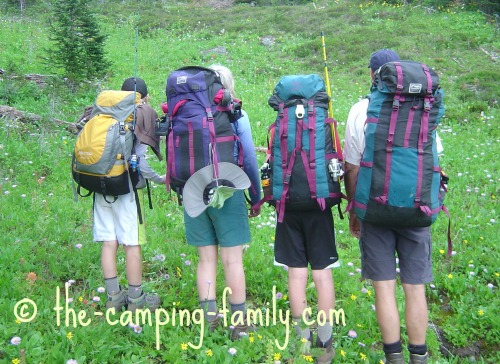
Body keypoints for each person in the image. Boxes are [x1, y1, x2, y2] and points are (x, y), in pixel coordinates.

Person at [344, 49, 434, 364]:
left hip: (375, 209)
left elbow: (352, 168)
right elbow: (433, 161)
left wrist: (355, 212)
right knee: (415, 288)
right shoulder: (424, 107)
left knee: (384, 288)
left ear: (373, 75)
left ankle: (393, 357)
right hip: (417, 208)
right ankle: (419, 357)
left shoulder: (361, 110)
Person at [183, 64, 261, 340]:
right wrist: (256, 195)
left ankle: (208, 319)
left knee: (206, 258)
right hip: (227, 187)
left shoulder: (186, 113)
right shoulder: (235, 112)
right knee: (232, 259)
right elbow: (249, 158)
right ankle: (239, 323)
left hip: (193, 188)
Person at [94, 77, 165, 313]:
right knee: (131, 243)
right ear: (145, 97)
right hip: (127, 189)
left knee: (109, 241)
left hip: (100, 185)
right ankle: (136, 300)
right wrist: (160, 178)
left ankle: (113, 297)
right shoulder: (140, 115)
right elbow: (141, 163)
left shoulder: (106, 111)